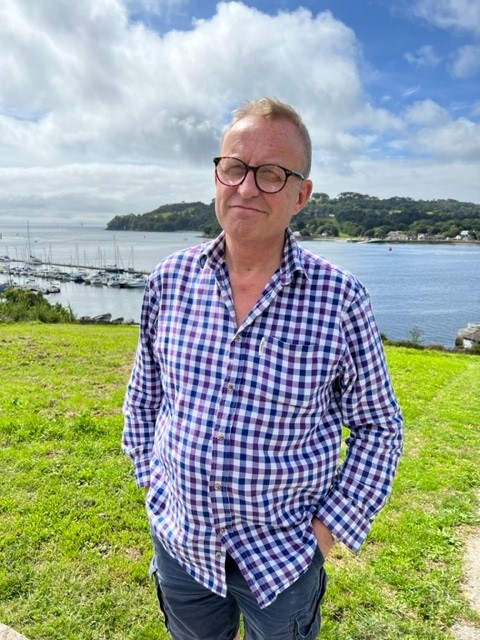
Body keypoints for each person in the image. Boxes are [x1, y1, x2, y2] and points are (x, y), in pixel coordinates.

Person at [122, 97, 404, 640]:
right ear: (217, 174)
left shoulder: (340, 299)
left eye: (272, 174)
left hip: (284, 559)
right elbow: (144, 396)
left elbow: (380, 428)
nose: (247, 187)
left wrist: (325, 534)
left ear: (302, 195)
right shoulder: (169, 280)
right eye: (235, 167)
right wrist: (154, 487)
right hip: (181, 545)